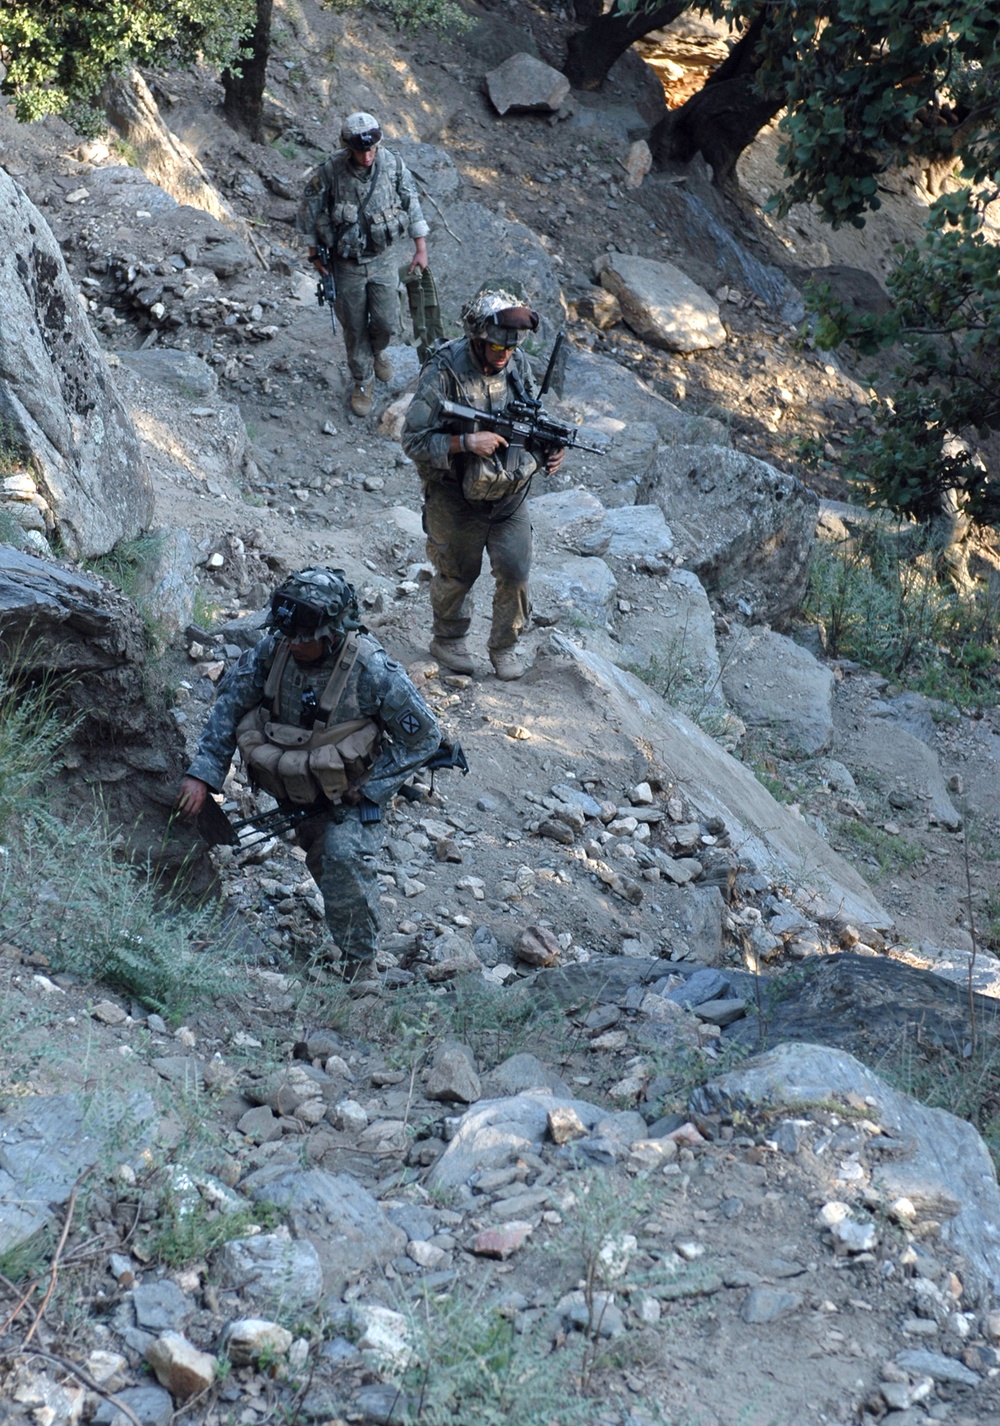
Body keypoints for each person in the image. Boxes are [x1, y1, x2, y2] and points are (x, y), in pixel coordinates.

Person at [177, 568, 440, 991]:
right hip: (299, 784)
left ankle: (361, 968)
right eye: (288, 636)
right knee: (321, 858)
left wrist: (374, 787)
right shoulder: (273, 649)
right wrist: (202, 775)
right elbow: (229, 705)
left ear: (334, 632)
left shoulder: (372, 670)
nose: (294, 645)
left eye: (305, 638)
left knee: (342, 857)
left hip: (353, 793)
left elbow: (425, 735)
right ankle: (352, 932)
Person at [400, 286, 565, 681]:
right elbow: (412, 440)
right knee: (458, 573)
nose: (503, 355)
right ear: (476, 339)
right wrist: (464, 442)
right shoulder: (443, 371)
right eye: (495, 348)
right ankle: (449, 639)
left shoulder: (515, 363)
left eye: (509, 348)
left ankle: (505, 647)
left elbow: (530, 418)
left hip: (508, 494)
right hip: (455, 494)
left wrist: (551, 450)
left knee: (515, 570)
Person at [297, 112, 430, 418]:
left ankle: (378, 351)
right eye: (361, 151)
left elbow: (412, 203)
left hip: (383, 259)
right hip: (346, 264)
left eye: (372, 150)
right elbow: (308, 211)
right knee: (354, 327)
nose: (367, 156)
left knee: (387, 322)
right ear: (348, 146)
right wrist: (314, 254)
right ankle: (362, 379)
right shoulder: (330, 171)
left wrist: (420, 248)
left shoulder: (393, 165)